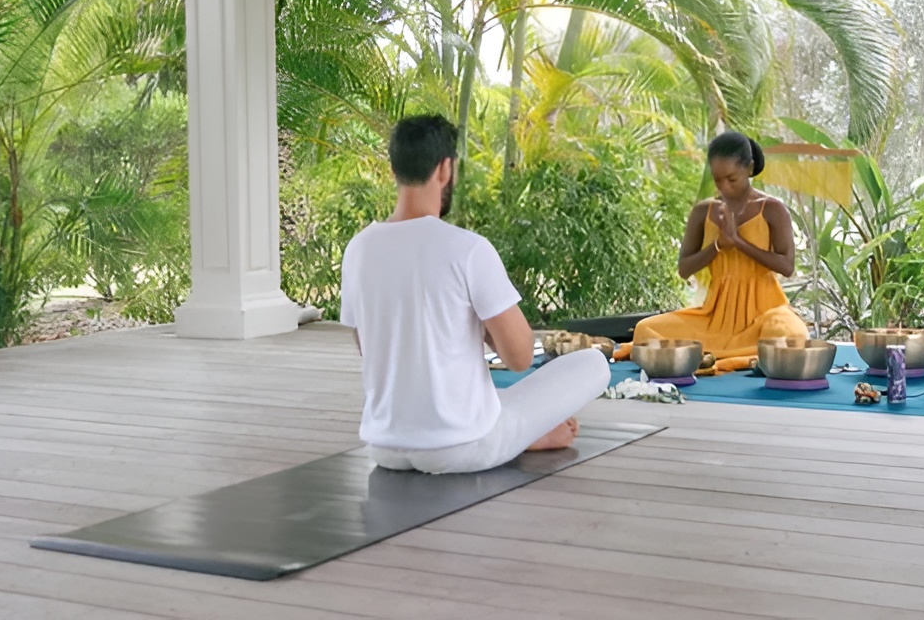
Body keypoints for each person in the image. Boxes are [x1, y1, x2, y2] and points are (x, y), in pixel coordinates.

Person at [340, 114, 611, 474]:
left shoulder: (358, 249)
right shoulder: (467, 249)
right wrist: (482, 327)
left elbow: (369, 349)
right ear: (444, 169)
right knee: (592, 364)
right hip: (460, 449)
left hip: (383, 447)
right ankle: (526, 437)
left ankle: (514, 429)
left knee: (491, 399)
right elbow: (519, 358)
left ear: (395, 169)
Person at [615, 131, 810, 372]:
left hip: (765, 311)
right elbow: (685, 269)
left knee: (791, 334)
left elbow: (787, 266)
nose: (724, 186)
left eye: (731, 178)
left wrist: (738, 242)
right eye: (717, 180)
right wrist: (717, 246)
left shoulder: (772, 209)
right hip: (714, 316)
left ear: (749, 169)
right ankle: (745, 357)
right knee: (646, 328)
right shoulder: (703, 212)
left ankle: (724, 359)